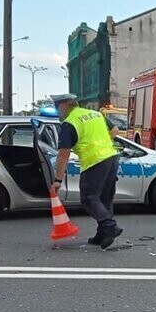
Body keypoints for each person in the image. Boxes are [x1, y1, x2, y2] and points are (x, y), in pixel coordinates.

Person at [50, 94, 123, 249]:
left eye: (57, 108)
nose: (58, 112)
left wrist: (58, 180)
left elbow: (63, 154)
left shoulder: (69, 123)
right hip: (112, 157)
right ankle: (102, 234)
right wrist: (102, 144)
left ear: (63, 106)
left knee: (89, 198)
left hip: (94, 161)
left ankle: (110, 226)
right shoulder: (95, 114)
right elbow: (115, 131)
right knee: (104, 198)